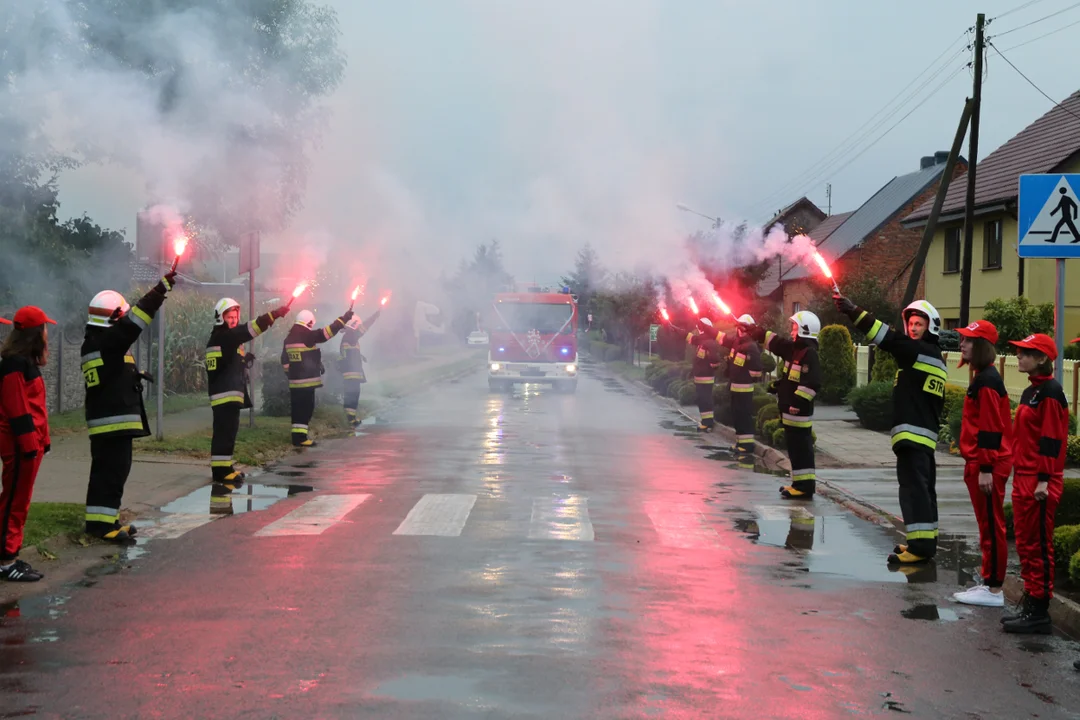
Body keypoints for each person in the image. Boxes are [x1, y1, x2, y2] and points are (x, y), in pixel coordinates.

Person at [835, 296, 946, 565]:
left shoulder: (920, 353)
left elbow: (887, 338)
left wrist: (854, 311)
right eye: (911, 324)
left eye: (919, 323)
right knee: (922, 489)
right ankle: (924, 543)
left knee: (913, 490)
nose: (913, 328)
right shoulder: (930, 356)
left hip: (913, 437)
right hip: (921, 438)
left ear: (931, 327)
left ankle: (919, 549)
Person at [82, 273, 176, 543]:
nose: (124, 320)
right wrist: (159, 291)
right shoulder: (107, 342)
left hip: (110, 420)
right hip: (112, 421)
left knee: (111, 472)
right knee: (111, 473)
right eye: (120, 317)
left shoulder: (98, 343)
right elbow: (135, 322)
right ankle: (101, 527)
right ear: (112, 319)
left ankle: (106, 518)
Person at [1001, 333, 1068, 634]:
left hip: (1040, 481)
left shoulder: (1051, 393)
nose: (1019, 356)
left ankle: (1039, 611)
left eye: (1026, 352)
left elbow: (1051, 440)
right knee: (1027, 545)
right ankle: (1032, 603)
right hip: (1025, 477)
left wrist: (1043, 480)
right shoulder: (1033, 391)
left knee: (1039, 547)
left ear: (1042, 358)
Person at [952, 320, 1013, 607]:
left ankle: (993, 588)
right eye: (963, 339)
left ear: (981, 347)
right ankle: (989, 582)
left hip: (988, 463)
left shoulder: (987, 381)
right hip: (983, 462)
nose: (962, 344)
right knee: (987, 524)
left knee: (991, 525)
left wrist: (986, 469)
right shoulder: (984, 377)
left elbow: (990, 428)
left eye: (968, 340)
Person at [205, 298, 290, 490]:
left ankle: (225, 467)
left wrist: (243, 361)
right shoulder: (224, 336)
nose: (234, 320)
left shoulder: (222, 339)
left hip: (226, 394)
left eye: (235, 317)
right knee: (224, 434)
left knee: (228, 433)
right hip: (224, 395)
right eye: (229, 317)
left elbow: (224, 365)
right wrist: (273, 314)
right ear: (220, 318)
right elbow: (249, 329)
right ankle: (220, 472)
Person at [0, 307, 55, 582]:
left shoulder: (24, 362)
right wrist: (30, 444)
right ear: (36, 334)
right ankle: (6, 560)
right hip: (21, 446)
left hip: (30, 445)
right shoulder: (13, 365)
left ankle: (10, 555)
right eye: (45, 329)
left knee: (19, 501)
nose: (48, 334)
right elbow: (17, 408)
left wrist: (42, 441)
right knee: (13, 501)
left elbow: (34, 408)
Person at [743, 311, 821, 499]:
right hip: (790, 411)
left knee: (801, 449)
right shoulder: (794, 350)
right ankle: (798, 483)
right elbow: (775, 343)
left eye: (795, 327)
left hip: (798, 413)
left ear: (805, 330)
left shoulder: (809, 354)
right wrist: (755, 331)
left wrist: (797, 402)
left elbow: (812, 383)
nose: (792, 331)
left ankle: (805, 487)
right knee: (795, 449)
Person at [281, 307, 352, 447]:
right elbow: (327, 332)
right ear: (308, 323)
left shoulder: (288, 338)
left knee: (297, 410)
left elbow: (284, 360)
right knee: (306, 409)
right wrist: (344, 319)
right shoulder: (306, 335)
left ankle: (297, 437)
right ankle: (301, 439)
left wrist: (291, 374)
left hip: (294, 383)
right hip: (306, 384)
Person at [713, 314, 763, 469]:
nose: (738, 330)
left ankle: (747, 445)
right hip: (734, 387)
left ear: (746, 329)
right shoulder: (736, 343)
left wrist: (746, 377)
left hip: (744, 389)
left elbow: (757, 370)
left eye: (740, 327)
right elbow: (721, 338)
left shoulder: (751, 347)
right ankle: (741, 442)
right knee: (737, 416)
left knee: (744, 416)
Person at [338, 308, 381, 430]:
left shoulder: (348, 337)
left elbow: (349, 353)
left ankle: (351, 418)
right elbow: (364, 328)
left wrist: (360, 356)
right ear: (354, 325)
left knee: (352, 395)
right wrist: (374, 316)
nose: (359, 329)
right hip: (352, 374)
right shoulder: (351, 336)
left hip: (350, 373)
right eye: (357, 326)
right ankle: (350, 419)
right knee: (352, 395)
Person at [686, 318, 722, 432]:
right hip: (700, 377)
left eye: (700, 327)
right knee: (702, 399)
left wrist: (712, 366)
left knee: (705, 399)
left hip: (706, 377)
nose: (698, 329)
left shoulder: (709, 343)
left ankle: (708, 423)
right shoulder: (703, 342)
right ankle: (706, 421)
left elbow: (715, 360)